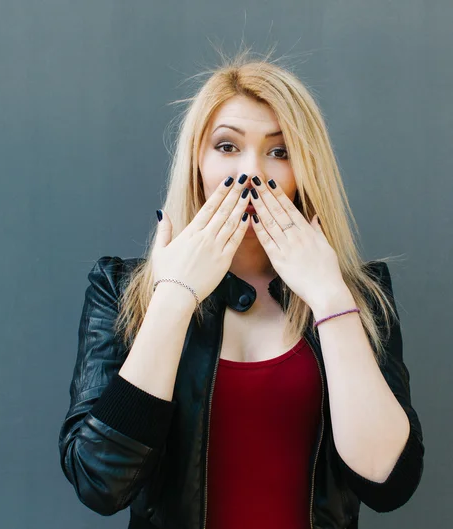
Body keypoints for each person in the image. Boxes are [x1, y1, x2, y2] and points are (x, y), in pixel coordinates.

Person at [58, 49, 424, 529]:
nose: (253, 173)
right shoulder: (121, 289)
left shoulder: (360, 295)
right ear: (197, 163)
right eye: (227, 147)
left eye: (280, 151)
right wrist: (173, 295)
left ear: (305, 169)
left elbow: (389, 482)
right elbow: (100, 483)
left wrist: (331, 299)